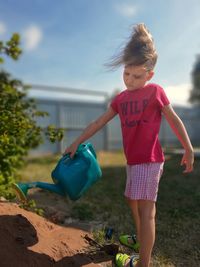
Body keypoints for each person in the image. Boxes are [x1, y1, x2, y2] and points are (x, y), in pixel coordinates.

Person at [64, 23, 194, 267]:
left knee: (147, 211)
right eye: (126, 74)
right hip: (132, 161)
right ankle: (140, 238)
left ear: (149, 75)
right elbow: (99, 121)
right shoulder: (121, 99)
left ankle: (142, 262)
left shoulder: (155, 92)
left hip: (150, 160)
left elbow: (173, 119)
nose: (130, 80)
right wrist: (77, 141)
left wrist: (187, 147)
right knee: (130, 200)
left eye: (137, 76)